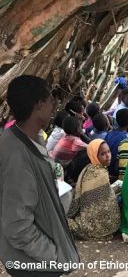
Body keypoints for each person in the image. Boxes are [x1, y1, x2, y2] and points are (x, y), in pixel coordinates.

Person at [0, 75, 79, 276]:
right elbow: (17, 226)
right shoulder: (17, 156)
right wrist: (55, 257)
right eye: (50, 101)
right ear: (39, 105)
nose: (53, 107)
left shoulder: (28, 139)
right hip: (33, 264)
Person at [67, 139, 120, 240]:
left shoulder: (88, 169)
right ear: (94, 155)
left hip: (91, 220)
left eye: (108, 152)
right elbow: (108, 201)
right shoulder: (100, 175)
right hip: (105, 225)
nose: (108, 156)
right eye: (102, 154)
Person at [105, 108, 128, 179]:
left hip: (107, 169)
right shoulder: (127, 138)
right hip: (116, 172)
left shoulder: (109, 133)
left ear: (116, 121)